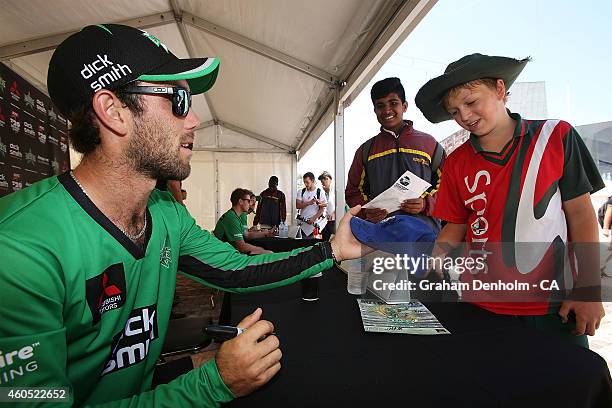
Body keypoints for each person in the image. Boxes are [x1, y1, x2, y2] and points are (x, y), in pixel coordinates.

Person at [0, 23, 366, 407]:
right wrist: (212, 382)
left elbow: (237, 270)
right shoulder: (19, 249)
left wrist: (331, 251)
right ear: (113, 111)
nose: (192, 121)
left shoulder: (167, 214)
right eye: (177, 101)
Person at [415, 53, 606, 347]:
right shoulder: (455, 163)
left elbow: (581, 216)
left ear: (500, 90)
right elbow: (456, 224)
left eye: (470, 101)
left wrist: (589, 288)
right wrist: (435, 259)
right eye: (454, 111)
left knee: (565, 387)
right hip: (480, 304)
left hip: (553, 304)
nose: (464, 116)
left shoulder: (556, 135)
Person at [345, 77, 445, 231]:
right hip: (381, 238)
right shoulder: (365, 151)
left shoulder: (429, 144)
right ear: (374, 110)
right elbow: (352, 192)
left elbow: (449, 187)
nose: (387, 111)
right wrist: (366, 212)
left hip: (425, 237)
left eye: (393, 103)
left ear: (404, 106)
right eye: (380, 105)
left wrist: (426, 203)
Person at [214, 188, 272, 254]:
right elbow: (241, 247)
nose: (250, 204)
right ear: (240, 201)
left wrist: (267, 234)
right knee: (268, 253)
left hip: (226, 251)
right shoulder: (232, 218)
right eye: (248, 201)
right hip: (221, 254)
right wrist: (262, 250)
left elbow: (246, 236)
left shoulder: (235, 216)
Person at [296, 172, 327, 237]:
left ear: (312, 181)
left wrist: (313, 218)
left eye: (307, 182)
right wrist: (309, 203)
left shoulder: (319, 192)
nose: (305, 184)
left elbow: (322, 208)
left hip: (313, 225)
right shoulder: (301, 191)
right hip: (302, 224)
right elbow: (297, 205)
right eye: (304, 182)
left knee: (312, 244)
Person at [318, 171, 336, 240]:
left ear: (328, 179)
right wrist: (321, 203)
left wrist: (334, 213)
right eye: (322, 183)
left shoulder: (335, 190)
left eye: (323, 183)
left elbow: (341, 203)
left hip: (334, 220)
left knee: (332, 240)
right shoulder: (325, 192)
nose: (323, 185)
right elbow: (328, 204)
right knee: (325, 239)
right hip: (325, 220)